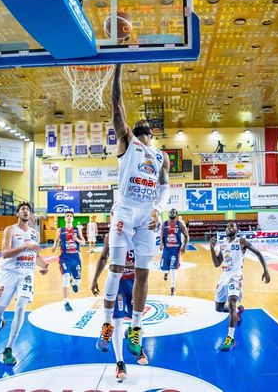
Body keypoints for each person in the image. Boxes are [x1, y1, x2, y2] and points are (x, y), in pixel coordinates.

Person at [96, 64, 171, 358]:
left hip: (147, 215)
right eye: (136, 123)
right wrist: (118, 66)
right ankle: (106, 324)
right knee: (116, 268)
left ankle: (136, 327)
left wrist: (158, 209)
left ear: (151, 133)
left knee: (142, 272)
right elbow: (116, 104)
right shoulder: (127, 142)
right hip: (125, 210)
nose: (140, 123)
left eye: (144, 125)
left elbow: (165, 187)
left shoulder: (161, 156)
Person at [0, 202, 48, 365]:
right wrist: (25, 245)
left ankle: (8, 348)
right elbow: (5, 253)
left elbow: (36, 256)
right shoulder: (10, 230)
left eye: (28, 210)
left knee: (20, 307)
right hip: (9, 273)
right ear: (17, 214)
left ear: (31, 214)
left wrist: (44, 266)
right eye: (22, 209)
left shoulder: (35, 233)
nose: (26, 211)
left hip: (26, 274)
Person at [91, 235, 148, 382]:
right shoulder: (110, 236)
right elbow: (103, 257)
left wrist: (123, 265)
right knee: (117, 320)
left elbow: (145, 263)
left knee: (137, 317)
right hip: (118, 283)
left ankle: (137, 344)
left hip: (135, 281)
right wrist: (95, 279)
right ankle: (120, 363)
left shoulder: (140, 233)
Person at [209, 222, 270, 351]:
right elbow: (217, 263)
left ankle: (230, 338)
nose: (229, 228)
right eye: (227, 226)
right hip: (224, 276)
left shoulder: (242, 241)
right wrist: (212, 248)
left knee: (231, 302)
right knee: (219, 308)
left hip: (236, 276)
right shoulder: (223, 244)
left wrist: (265, 270)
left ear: (237, 230)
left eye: (232, 226)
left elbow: (258, 253)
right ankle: (237, 311)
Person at [52, 210, 85, 311]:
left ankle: (73, 282)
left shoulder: (77, 230)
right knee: (65, 277)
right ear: (65, 218)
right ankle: (66, 302)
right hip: (65, 258)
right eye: (67, 216)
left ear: (73, 218)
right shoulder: (60, 230)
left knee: (78, 281)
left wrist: (77, 239)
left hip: (75, 258)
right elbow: (56, 239)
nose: (69, 217)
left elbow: (83, 242)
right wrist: (54, 246)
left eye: (71, 216)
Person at [160, 208, 189, 295]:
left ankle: (173, 287)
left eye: (174, 212)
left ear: (176, 214)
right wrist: (162, 243)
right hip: (166, 249)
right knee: (164, 269)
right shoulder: (164, 224)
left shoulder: (180, 224)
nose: (172, 213)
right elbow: (162, 235)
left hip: (175, 250)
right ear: (168, 213)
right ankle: (166, 273)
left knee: (173, 269)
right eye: (171, 211)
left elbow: (187, 236)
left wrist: (184, 247)